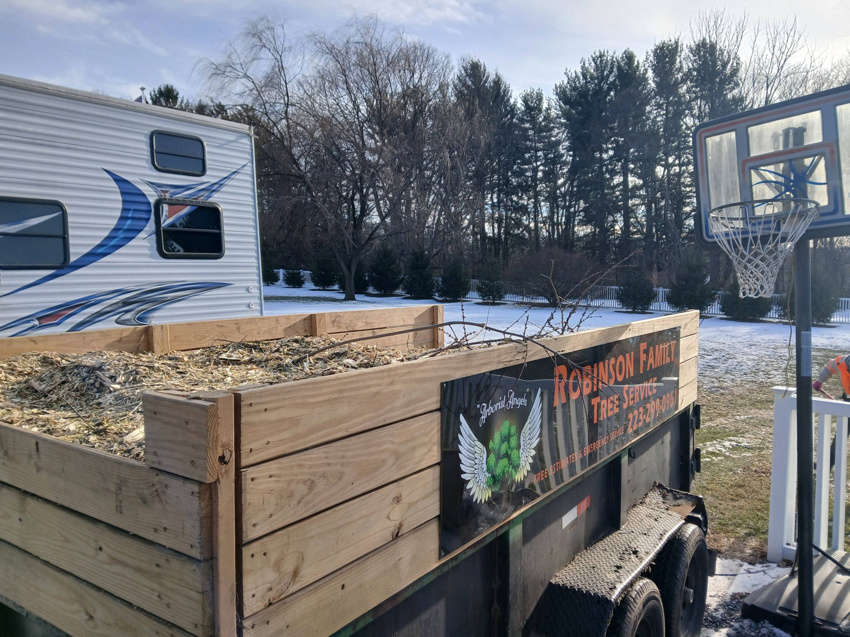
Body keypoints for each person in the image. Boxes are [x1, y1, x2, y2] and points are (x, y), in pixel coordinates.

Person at [813, 355, 850, 470]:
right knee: (840, 437)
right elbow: (829, 367)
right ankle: (826, 467)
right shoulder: (841, 361)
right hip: (847, 404)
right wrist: (820, 380)